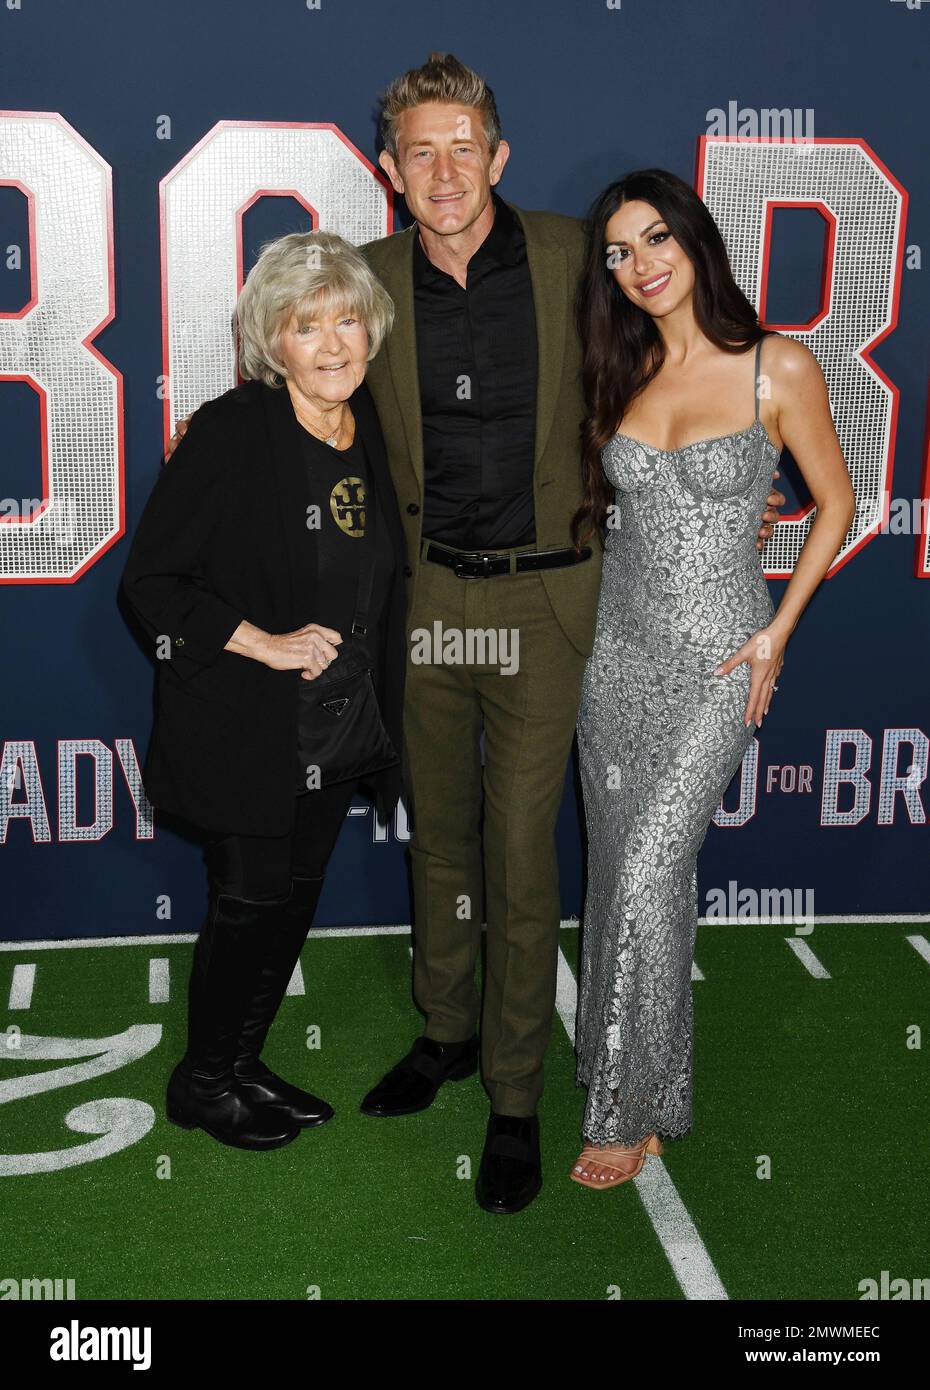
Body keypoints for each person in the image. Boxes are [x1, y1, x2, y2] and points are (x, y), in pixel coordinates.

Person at [166, 53, 784, 1212]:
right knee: (436, 832)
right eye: (421, 152)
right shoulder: (372, 281)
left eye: (466, 147)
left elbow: (688, 347)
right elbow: (306, 374)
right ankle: (443, 1030)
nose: (445, 171)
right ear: (392, 171)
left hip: (550, 603)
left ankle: (513, 1089)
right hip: (430, 603)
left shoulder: (573, 258)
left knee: (518, 845)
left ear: (498, 156)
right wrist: (227, 435)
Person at [569, 169, 856, 1188]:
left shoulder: (777, 365)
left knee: (651, 866)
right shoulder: (619, 368)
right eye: (618, 252)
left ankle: (619, 1107)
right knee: (625, 880)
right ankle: (657, 1090)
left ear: (695, 243)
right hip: (613, 662)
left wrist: (776, 633)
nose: (639, 266)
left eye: (655, 241)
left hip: (720, 659)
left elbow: (837, 502)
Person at [120, 230, 407, 1151]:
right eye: (305, 326)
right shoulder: (235, 430)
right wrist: (263, 644)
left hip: (340, 727)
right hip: (251, 725)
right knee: (247, 905)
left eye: (347, 319)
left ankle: (242, 1064)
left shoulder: (378, 432)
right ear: (271, 343)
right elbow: (151, 585)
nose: (333, 344)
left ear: (373, 327)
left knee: (293, 898)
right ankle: (202, 1083)